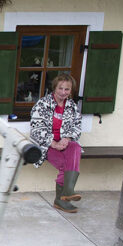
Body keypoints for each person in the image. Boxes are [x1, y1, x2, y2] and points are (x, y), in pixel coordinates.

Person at [29, 72, 83, 214]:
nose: (63, 92)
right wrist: (53, 143)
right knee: (66, 165)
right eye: (61, 88)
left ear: (71, 91)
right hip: (46, 145)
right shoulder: (43, 104)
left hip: (64, 144)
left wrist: (68, 138)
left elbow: (77, 126)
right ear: (55, 88)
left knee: (76, 147)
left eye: (67, 89)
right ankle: (63, 198)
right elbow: (36, 129)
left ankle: (66, 193)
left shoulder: (72, 106)